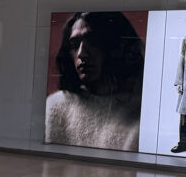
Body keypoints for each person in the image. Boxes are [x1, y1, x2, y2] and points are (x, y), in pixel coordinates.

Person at [45, 12, 144, 151]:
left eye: (93, 41)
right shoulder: (56, 106)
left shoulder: (140, 111)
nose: (81, 53)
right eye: (74, 44)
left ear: (116, 46)